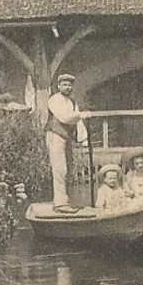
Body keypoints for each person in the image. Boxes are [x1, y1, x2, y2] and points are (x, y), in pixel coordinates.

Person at [46, 73, 88, 211]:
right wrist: (80, 115)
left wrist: (83, 138)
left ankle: (67, 200)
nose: (67, 87)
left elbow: (78, 122)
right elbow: (65, 118)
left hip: (67, 137)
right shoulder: (54, 100)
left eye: (70, 85)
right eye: (64, 85)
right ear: (58, 86)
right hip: (55, 135)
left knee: (69, 168)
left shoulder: (72, 102)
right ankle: (60, 203)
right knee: (60, 169)